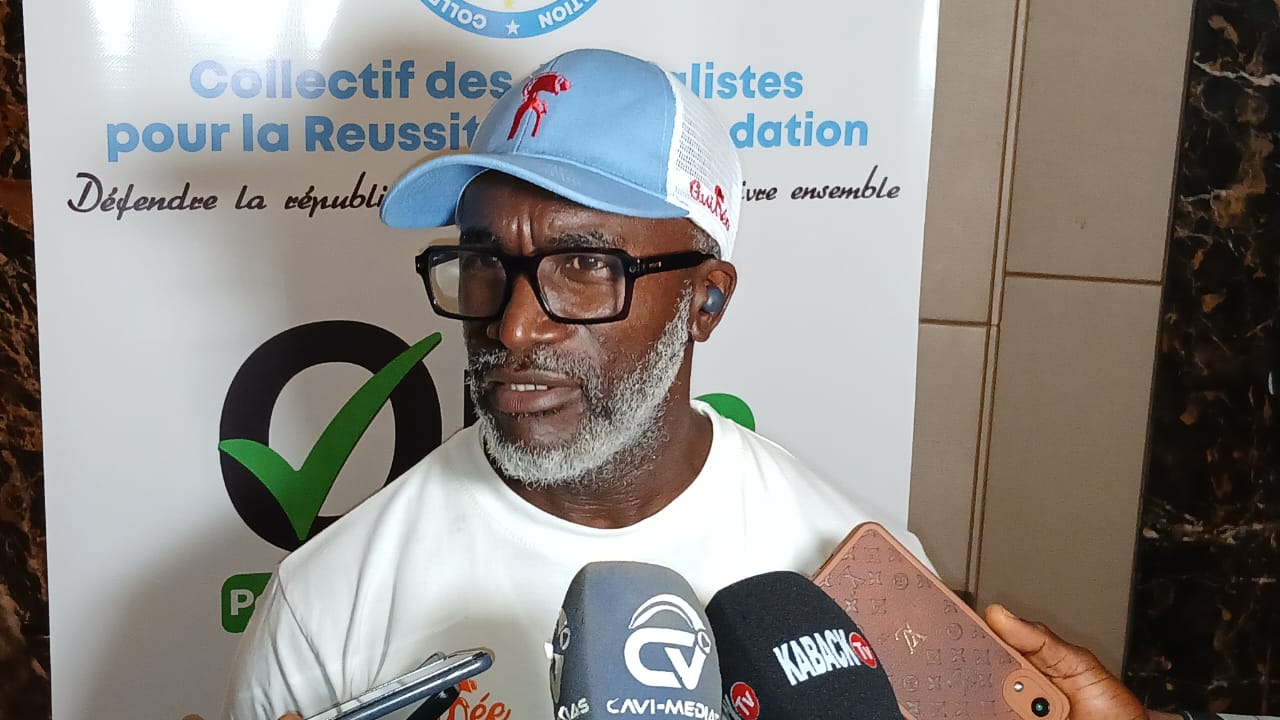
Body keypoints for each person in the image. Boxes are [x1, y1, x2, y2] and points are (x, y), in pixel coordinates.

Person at [222, 48, 1220, 720]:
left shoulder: (851, 586)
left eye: (585, 265)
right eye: (484, 262)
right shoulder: (327, 603)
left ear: (704, 302)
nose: (512, 326)